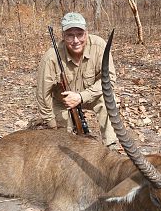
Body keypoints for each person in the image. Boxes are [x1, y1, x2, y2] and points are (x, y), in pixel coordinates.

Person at [36, 12, 118, 149]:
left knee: (108, 100)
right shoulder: (50, 57)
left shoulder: (99, 46)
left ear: (86, 33)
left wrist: (81, 97)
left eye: (79, 34)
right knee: (65, 143)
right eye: (70, 35)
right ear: (63, 36)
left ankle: (112, 147)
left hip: (89, 96)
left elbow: (110, 80)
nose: (75, 40)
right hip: (63, 103)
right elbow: (42, 95)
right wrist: (51, 126)